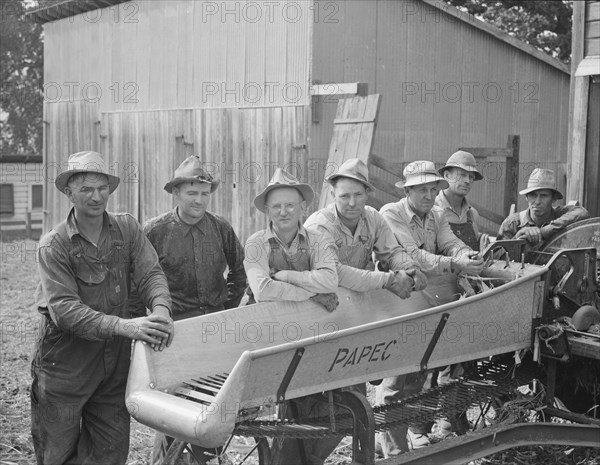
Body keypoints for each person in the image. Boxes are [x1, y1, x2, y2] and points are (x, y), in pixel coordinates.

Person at [32, 151, 174, 465]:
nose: (97, 197)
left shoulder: (127, 228)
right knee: (58, 454)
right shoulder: (53, 245)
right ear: (69, 193)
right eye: (86, 190)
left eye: (102, 188)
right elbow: (65, 311)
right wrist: (127, 326)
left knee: (109, 452)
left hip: (114, 365)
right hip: (65, 366)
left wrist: (161, 309)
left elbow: (151, 273)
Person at [142, 155, 247, 464]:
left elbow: (239, 274)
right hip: (175, 333)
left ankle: (208, 458)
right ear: (176, 193)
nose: (198, 200)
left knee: (213, 404)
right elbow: (140, 282)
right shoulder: (155, 232)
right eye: (191, 193)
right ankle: (166, 461)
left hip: (214, 329)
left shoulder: (221, 229)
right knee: (175, 409)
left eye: (204, 193)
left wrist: (224, 309)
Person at [377, 160, 485, 455]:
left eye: (432, 188)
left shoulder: (436, 214)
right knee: (397, 380)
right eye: (420, 189)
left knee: (419, 377)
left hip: (425, 300)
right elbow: (413, 256)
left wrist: (467, 253)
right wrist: (456, 263)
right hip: (395, 301)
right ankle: (394, 455)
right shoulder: (391, 213)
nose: (427, 194)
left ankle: (391, 444)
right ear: (408, 190)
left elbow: (450, 243)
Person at [244, 168, 339, 465]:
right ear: (267, 210)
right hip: (268, 333)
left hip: (313, 332)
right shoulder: (257, 243)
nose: (283, 212)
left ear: (302, 208)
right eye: (276, 206)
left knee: (333, 405)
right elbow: (262, 290)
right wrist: (310, 294)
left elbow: (329, 281)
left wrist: (286, 277)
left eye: (290, 205)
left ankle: (308, 457)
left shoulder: (317, 240)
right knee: (287, 406)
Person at [305, 158, 428, 298]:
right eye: (344, 196)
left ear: (366, 194)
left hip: (350, 300)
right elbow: (333, 272)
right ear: (333, 195)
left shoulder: (373, 219)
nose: (352, 203)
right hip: (311, 302)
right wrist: (388, 280)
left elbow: (393, 252)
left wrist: (410, 269)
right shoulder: (319, 226)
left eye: (358, 195)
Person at [497, 168, 590, 252]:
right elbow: (495, 257)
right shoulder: (512, 223)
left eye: (544, 195)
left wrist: (544, 231)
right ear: (526, 197)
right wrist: (517, 239)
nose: (537, 201)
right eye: (533, 195)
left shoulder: (560, 215)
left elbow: (582, 213)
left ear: (553, 199)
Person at [436, 150, 491, 252]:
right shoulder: (432, 211)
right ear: (447, 176)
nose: (467, 181)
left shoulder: (473, 215)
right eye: (462, 175)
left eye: (471, 177)